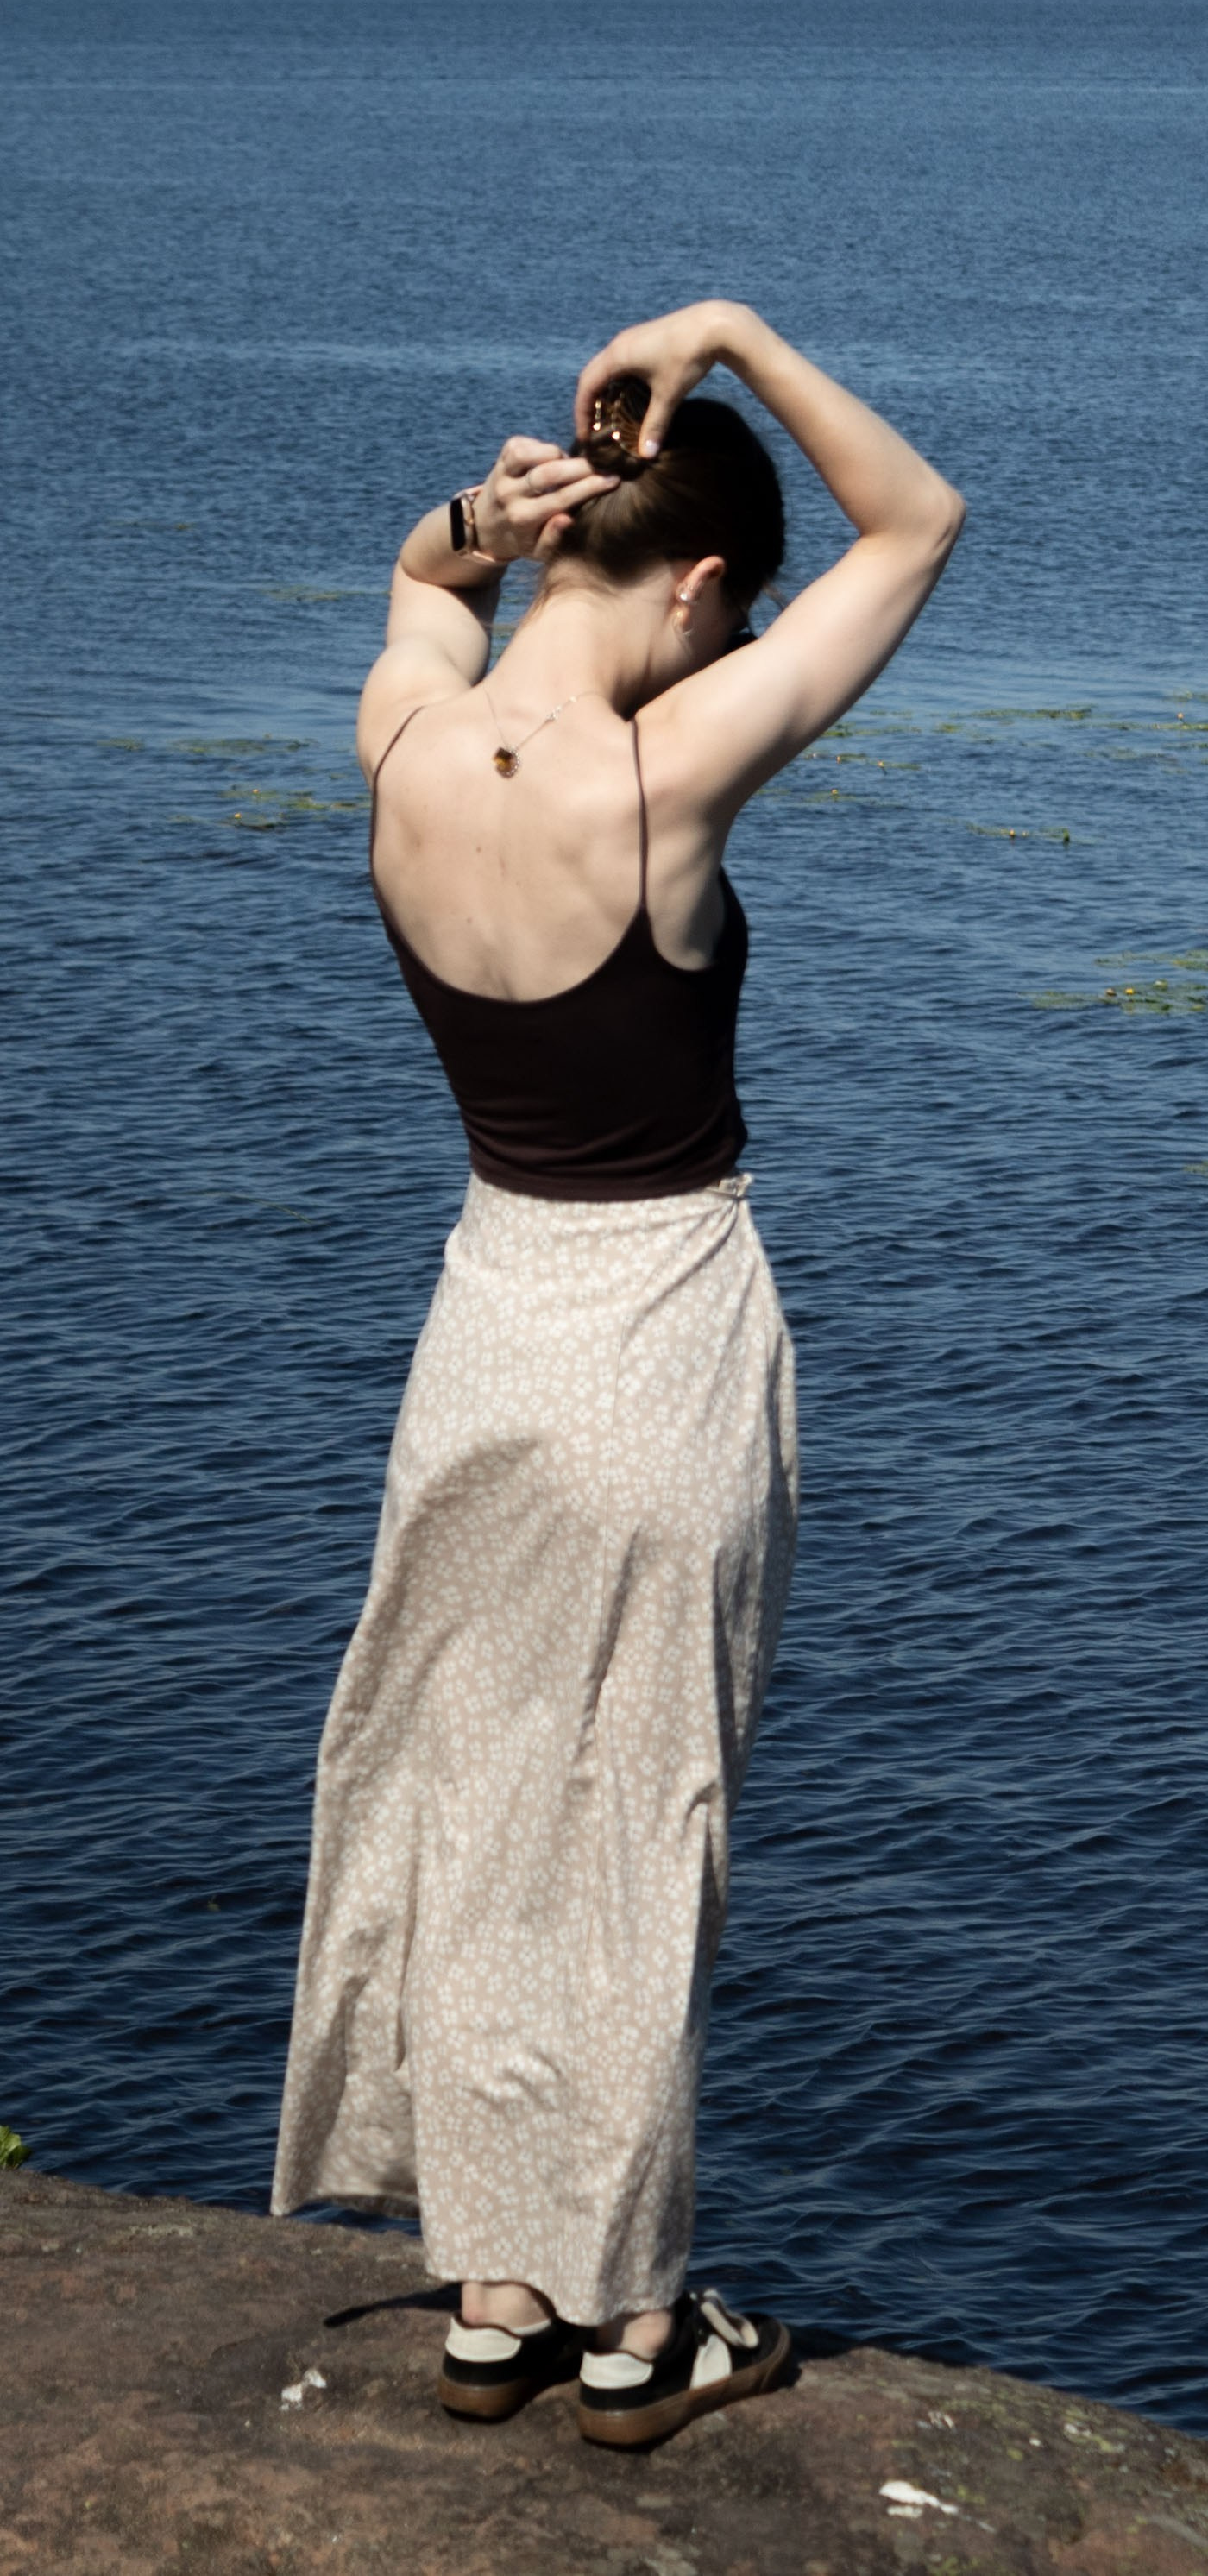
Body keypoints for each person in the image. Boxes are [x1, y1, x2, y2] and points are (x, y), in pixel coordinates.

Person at [271, 298, 965, 2449]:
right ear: (690, 587)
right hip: (657, 1333)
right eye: (716, 609)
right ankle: (638, 2321)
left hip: (480, 1323)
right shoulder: (661, 773)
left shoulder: (403, 734)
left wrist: (488, 508)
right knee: (639, 1820)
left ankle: (495, 2290)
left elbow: (412, 580)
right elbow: (919, 522)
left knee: (472, 1795)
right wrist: (735, 336)